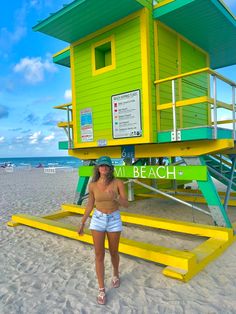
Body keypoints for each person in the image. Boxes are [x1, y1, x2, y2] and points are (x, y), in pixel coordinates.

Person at [77, 156, 129, 305]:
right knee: (99, 254)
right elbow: (89, 205)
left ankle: (115, 274)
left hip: (114, 219)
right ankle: (101, 289)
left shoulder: (118, 183)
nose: (104, 168)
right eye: (101, 165)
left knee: (114, 252)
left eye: (106, 165)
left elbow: (126, 204)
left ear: (110, 168)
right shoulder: (92, 185)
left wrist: (117, 198)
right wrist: (82, 222)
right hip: (98, 219)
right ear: (98, 168)